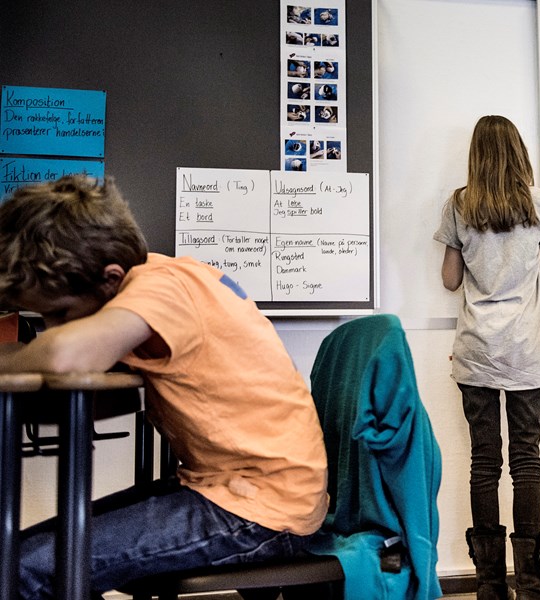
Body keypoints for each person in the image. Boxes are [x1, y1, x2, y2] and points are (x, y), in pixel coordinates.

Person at [0, 175, 328, 599]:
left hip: (259, 510)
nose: (52, 329)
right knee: (22, 553)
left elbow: (65, 356)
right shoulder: (164, 277)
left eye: (60, 312)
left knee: (28, 568)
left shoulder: (161, 288)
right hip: (235, 489)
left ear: (110, 278)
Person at [433, 115, 540, 600]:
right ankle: (532, 587)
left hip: (476, 353)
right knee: (526, 462)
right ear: (518, 151)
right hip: (526, 351)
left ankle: (490, 587)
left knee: (484, 464)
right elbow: (538, 270)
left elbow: (450, 281)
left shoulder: (460, 204)